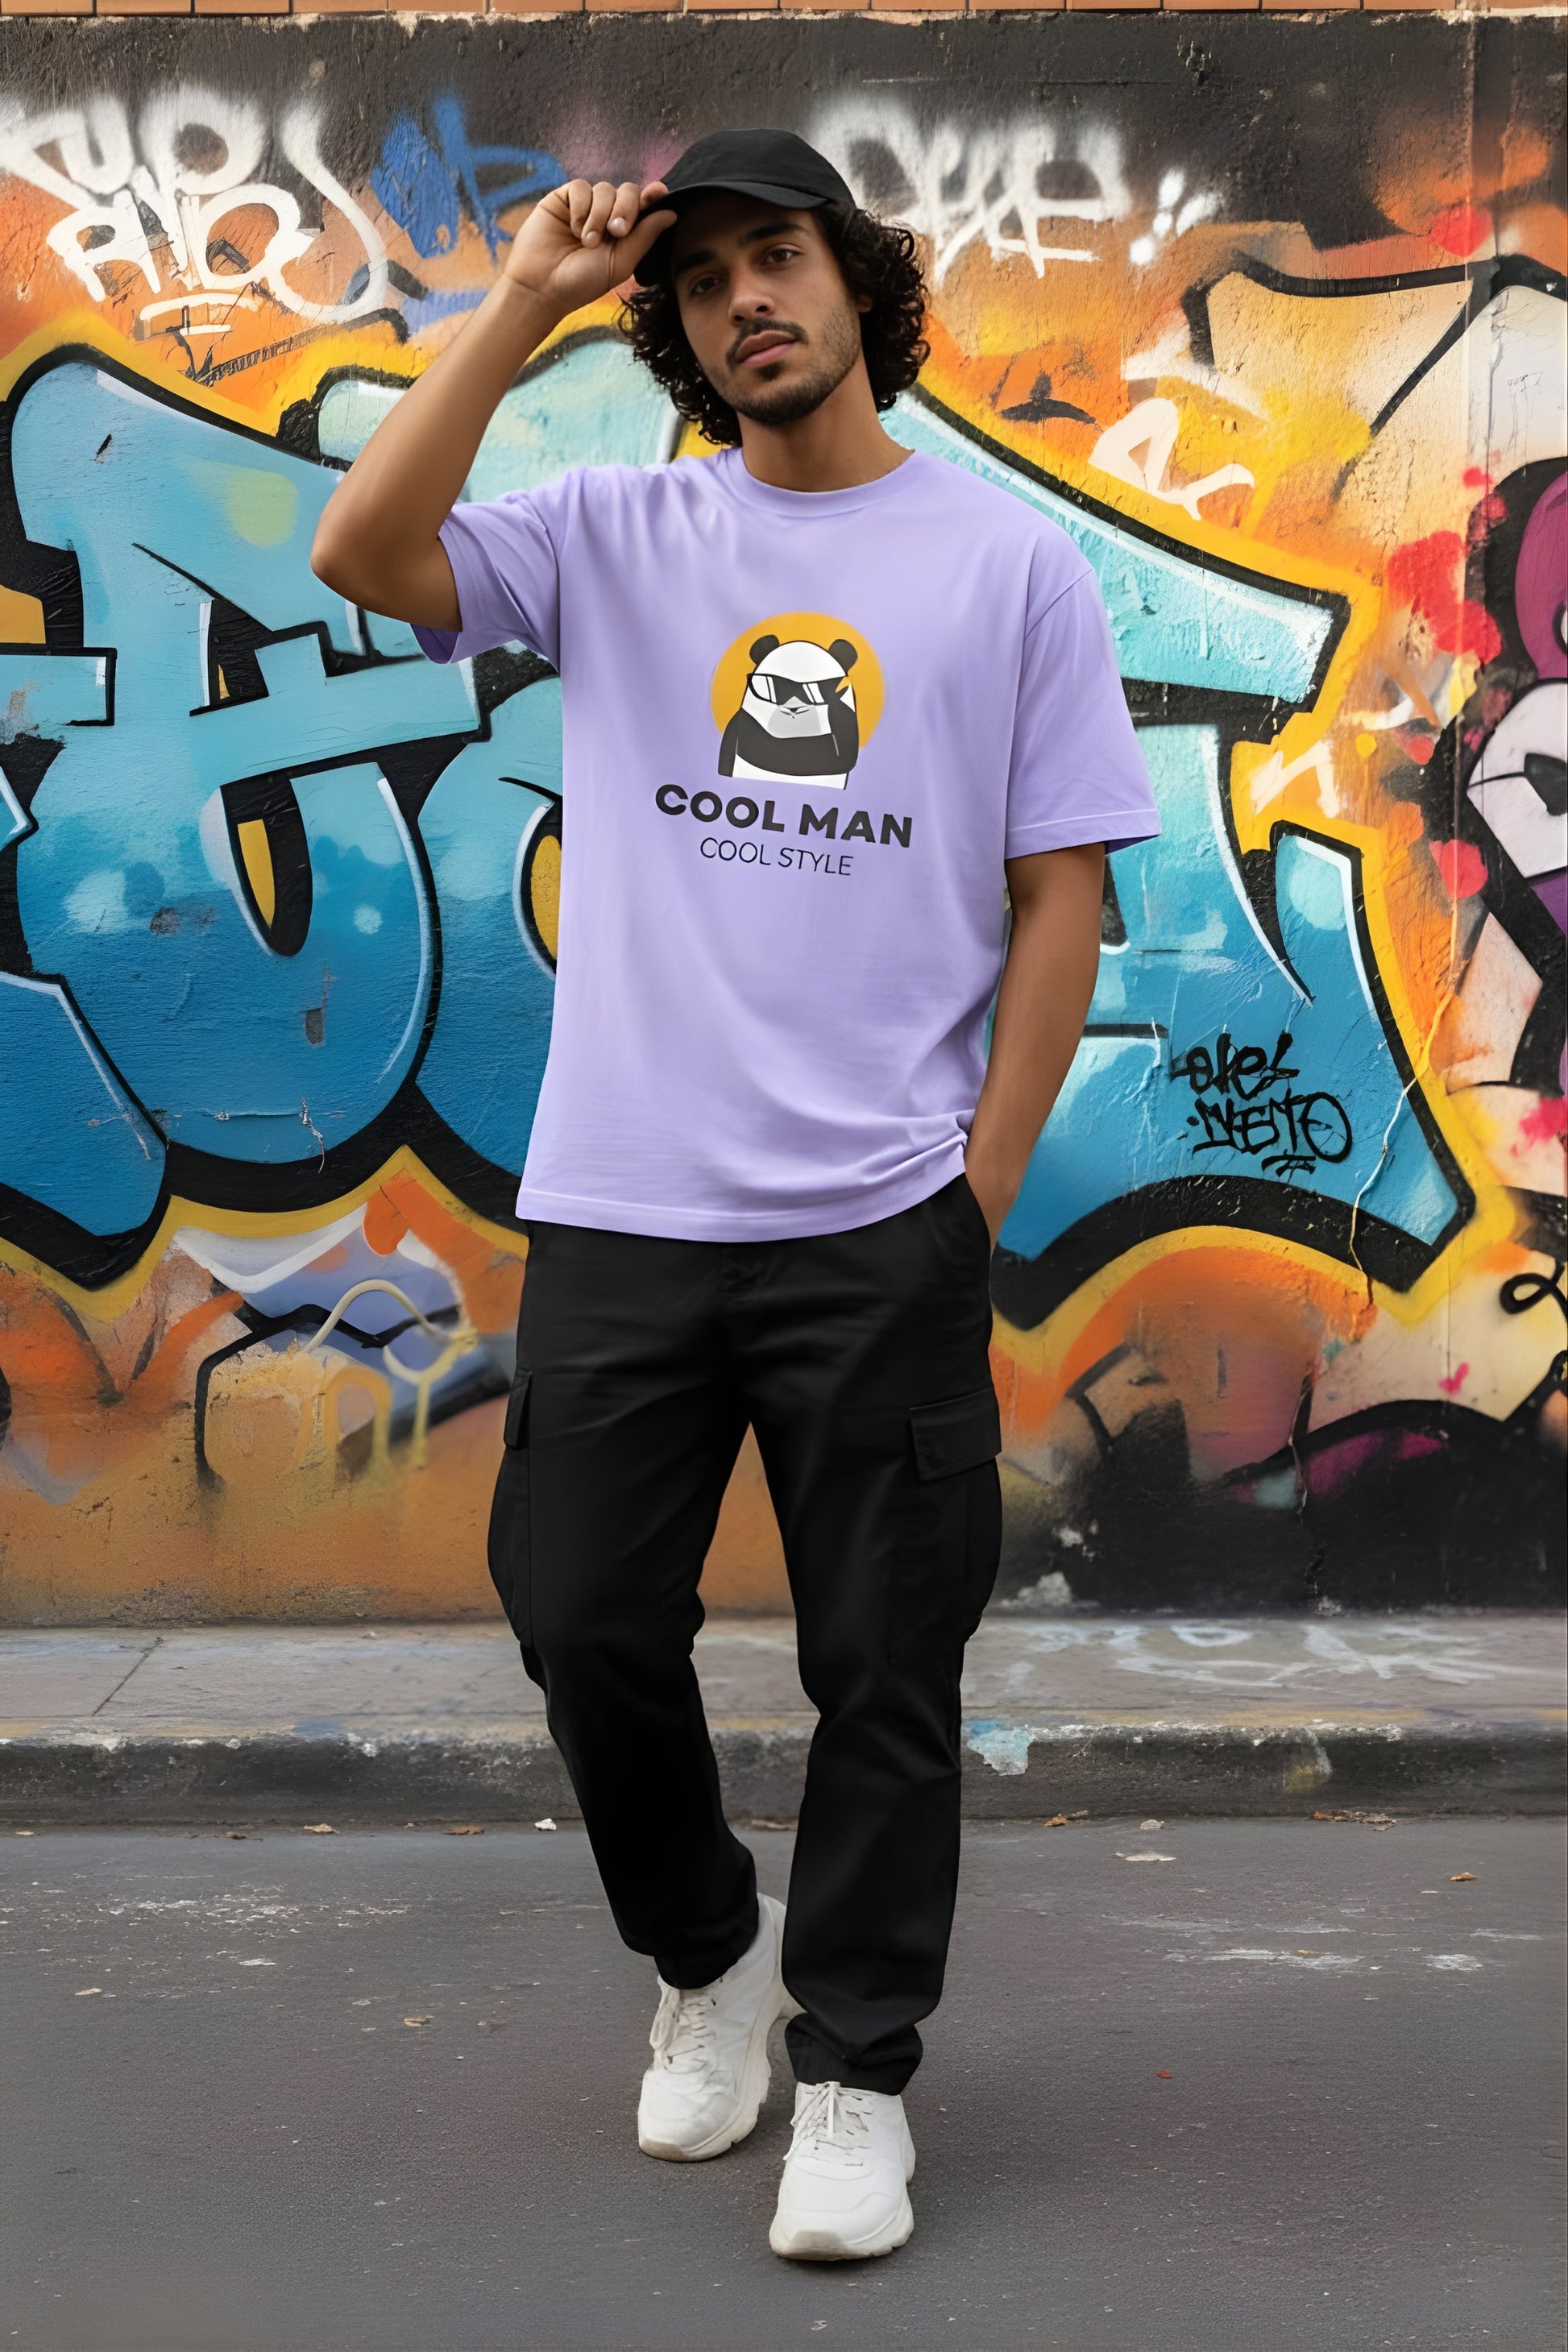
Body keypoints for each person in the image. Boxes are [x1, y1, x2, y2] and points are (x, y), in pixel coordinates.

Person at [312, 127, 1159, 2263]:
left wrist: (974, 1191)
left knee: (889, 1664)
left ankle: (857, 2077)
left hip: (878, 1220)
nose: (743, 302)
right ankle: (711, 1953)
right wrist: (520, 303)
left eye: (777, 259)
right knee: (580, 1615)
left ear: (858, 284)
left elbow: (1060, 895)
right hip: (623, 1203)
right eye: (701, 284)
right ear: (676, 334)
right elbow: (362, 549)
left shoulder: (1005, 568)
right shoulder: (617, 533)